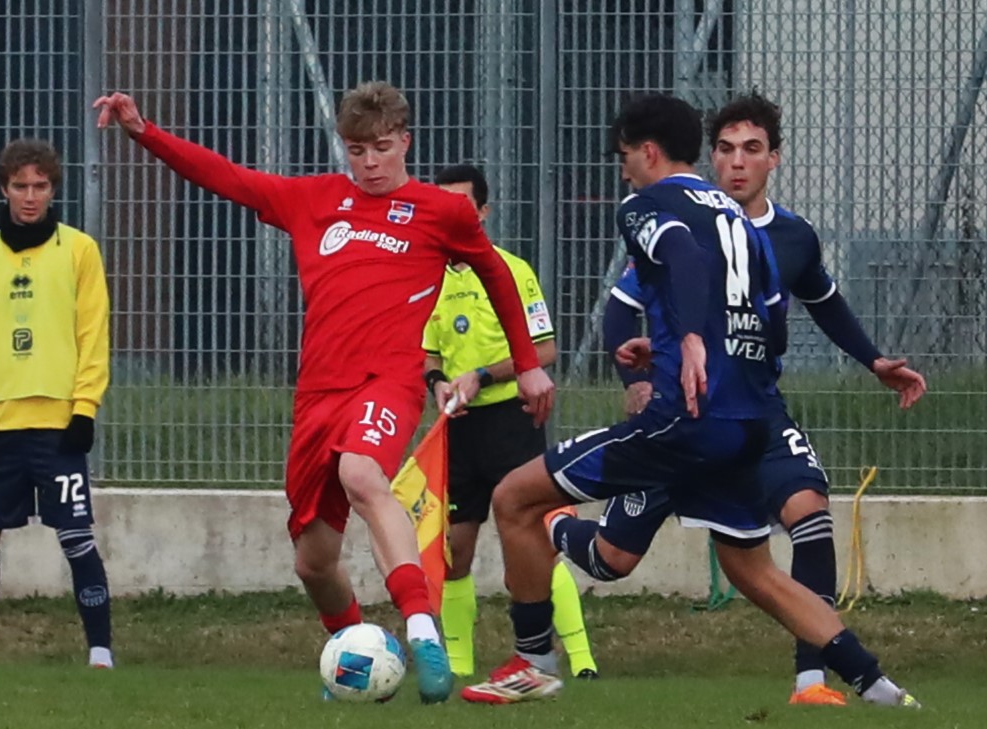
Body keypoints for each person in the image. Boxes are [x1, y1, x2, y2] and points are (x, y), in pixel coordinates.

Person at [93, 82, 554, 703]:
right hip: (317, 396)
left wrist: (527, 365)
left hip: (387, 382)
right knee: (313, 562)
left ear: (405, 142)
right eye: (357, 150)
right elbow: (226, 177)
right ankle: (356, 656)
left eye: (381, 148)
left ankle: (423, 631)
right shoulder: (314, 200)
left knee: (362, 474)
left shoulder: (440, 211)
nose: (370, 163)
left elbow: (496, 274)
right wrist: (144, 132)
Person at [461, 93, 918, 709]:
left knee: (513, 497)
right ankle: (882, 691)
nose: (623, 170)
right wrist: (676, 345)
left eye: (624, 156)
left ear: (648, 152)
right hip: (748, 421)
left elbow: (679, 251)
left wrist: (693, 340)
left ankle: (533, 661)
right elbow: (772, 322)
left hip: (685, 419)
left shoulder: (646, 205)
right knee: (752, 570)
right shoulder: (738, 218)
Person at [422, 164, 597, 680]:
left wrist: (481, 374)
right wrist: (438, 383)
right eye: (442, 206)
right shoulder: (427, 278)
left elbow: (544, 351)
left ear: (483, 212)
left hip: (511, 422)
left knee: (535, 543)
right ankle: (457, 666)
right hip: (458, 427)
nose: (452, 216)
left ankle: (581, 661)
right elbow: (426, 354)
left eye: (462, 205)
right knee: (454, 549)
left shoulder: (511, 270)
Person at [0, 139, 113, 668]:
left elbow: (93, 335)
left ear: (53, 190)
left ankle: (101, 654)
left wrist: (84, 407)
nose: (30, 196)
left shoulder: (80, 251)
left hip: (58, 423)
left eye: (40, 186)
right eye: (20, 186)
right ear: (4, 189)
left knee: (75, 534)